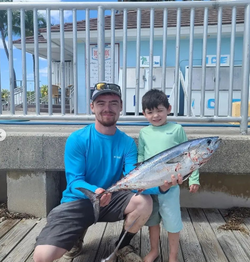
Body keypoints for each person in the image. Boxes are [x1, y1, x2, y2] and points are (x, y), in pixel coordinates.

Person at [33, 82, 179, 262]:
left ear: (121, 107)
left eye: (113, 103)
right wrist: (96, 191)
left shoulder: (126, 143)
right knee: (42, 257)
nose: (107, 108)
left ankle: (122, 245)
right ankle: (75, 236)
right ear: (92, 107)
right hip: (78, 201)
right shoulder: (77, 139)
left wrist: (161, 188)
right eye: (101, 103)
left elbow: (133, 181)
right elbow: (75, 181)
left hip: (112, 199)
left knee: (144, 202)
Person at [138, 89, 200, 262]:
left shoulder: (177, 129)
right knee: (152, 221)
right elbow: (141, 158)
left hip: (171, 185)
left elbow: (191, 157)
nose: (155, 115)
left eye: (159, 110)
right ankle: (154, 250)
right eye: (150, 112)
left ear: (169, 108)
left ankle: (173, 256)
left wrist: (194, 179)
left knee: (172, 222)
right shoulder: (144, 133)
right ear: (144, 114)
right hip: (151, 186)